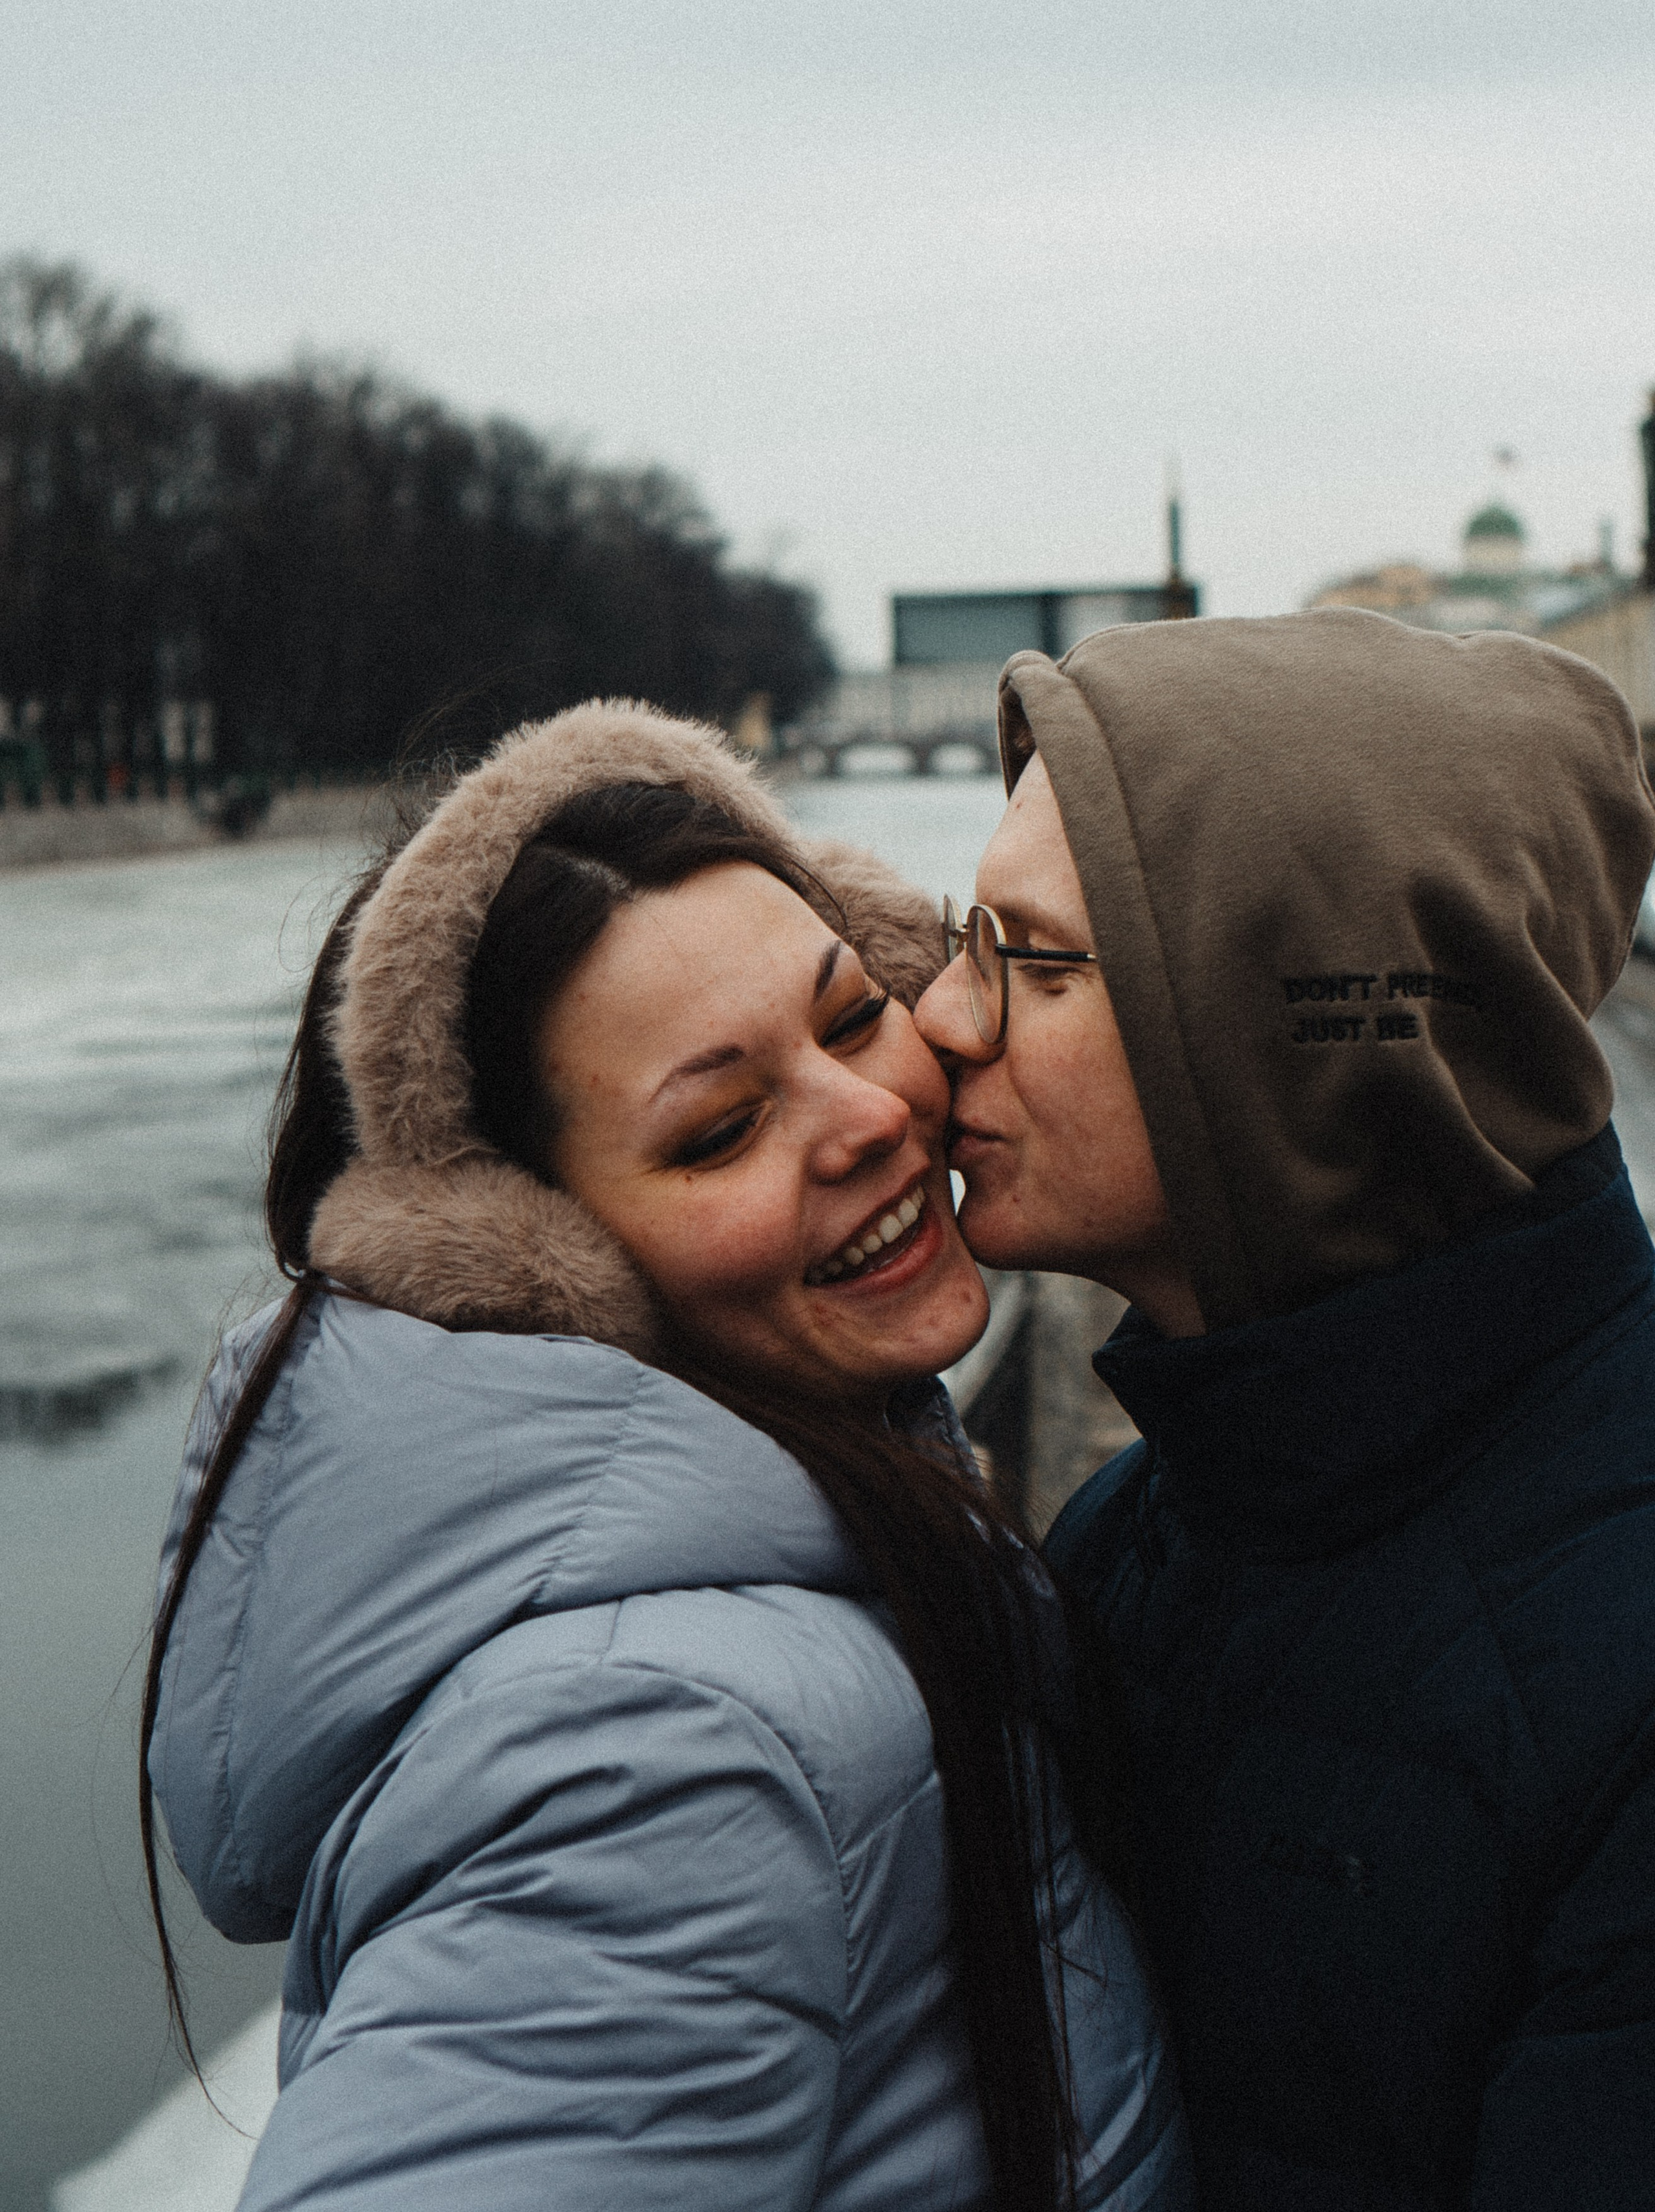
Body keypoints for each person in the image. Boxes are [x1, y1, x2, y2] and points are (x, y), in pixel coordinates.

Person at [143, 700, 1191, 2212]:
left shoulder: (801, 1581)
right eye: (715, 1133)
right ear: (537, 1264)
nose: (869, 1118)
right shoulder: (662, 1759)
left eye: (847, 1018)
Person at [914, 607, 1655, 2211]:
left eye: (1033, 962)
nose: (940, 1024)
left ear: (1292, 1039)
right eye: (957, 942)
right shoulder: (1138, 1528)